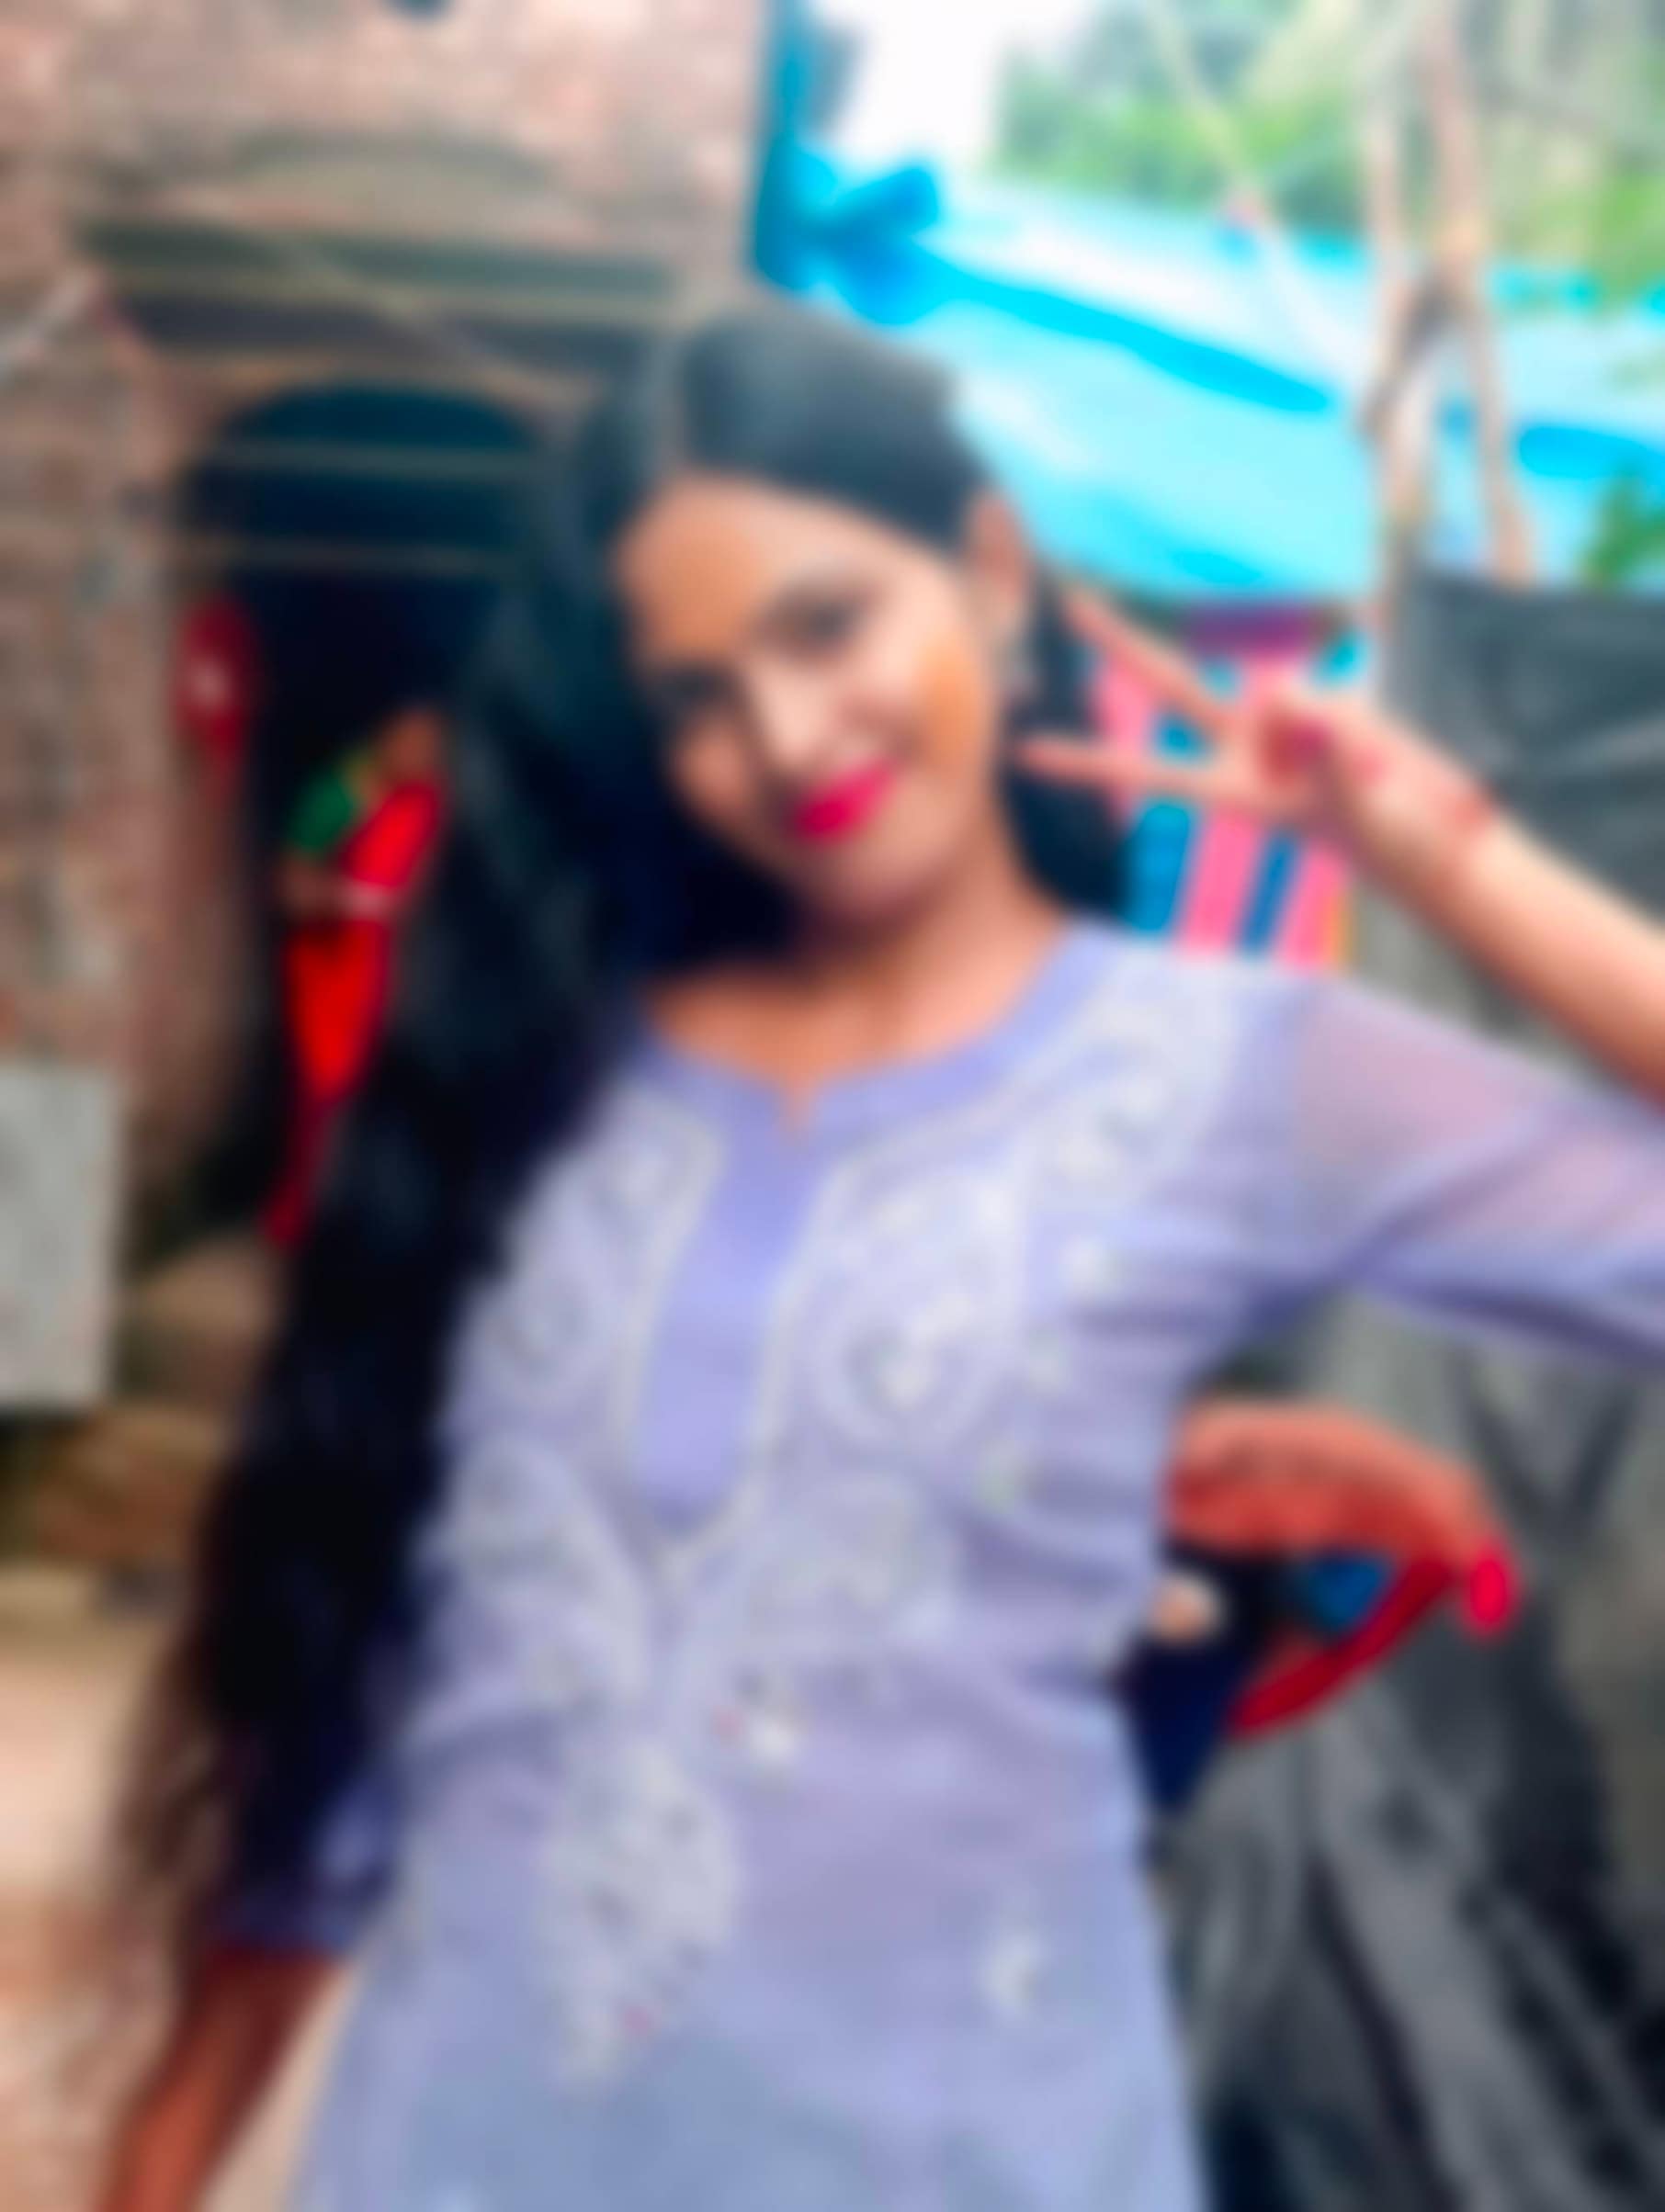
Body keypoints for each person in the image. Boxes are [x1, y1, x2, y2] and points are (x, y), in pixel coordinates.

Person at [101, 305, 1665, 2212]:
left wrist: (1436, 856)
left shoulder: (1231, 1079)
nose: (783, 738)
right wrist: (156, 2161)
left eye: (827, 624)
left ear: (991, 570)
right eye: (695, 696)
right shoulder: (522, 1073)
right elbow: (362, 1707)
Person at [264, 703, 447, 1247]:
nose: (424, 755)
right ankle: (308, 1217)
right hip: (334, 964)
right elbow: (289, 885)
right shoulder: (339, 794)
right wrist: (347, 899)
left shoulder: (431, 804)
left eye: (434, 746)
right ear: (385, 734)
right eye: (414, 740)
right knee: (326, 1095)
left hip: (400, 969)